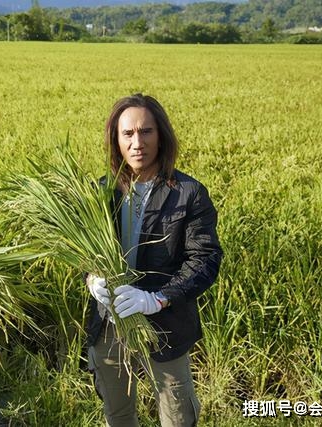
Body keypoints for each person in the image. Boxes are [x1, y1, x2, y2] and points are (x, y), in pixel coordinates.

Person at [85, 93, 223, 427]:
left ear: (161, 135)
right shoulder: (102, 191)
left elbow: (204, 259)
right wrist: (92, 280)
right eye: (127, 134)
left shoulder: (188, 193)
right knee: (117, 414)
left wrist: (157, 299)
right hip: (110, 324)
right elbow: (85, 254)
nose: (137, 143)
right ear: (116, 140)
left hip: (167, 327)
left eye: (146, 132)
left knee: (177, 416)